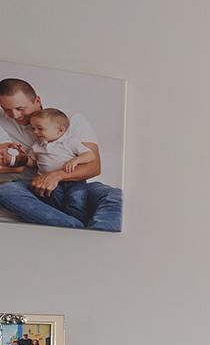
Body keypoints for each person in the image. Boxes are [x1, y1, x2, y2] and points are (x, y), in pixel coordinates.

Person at [0, 77, 121, 231]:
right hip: (35, 188)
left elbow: (94, 166)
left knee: (115, 196)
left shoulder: (68, 120)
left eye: (20, 109)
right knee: (5, 191)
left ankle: (99, 236)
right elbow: (23, 163)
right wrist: (15, 159)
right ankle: (73, 229)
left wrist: (56, 176)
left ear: (37, 100)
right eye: (7, 109)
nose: (15, 116)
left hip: (75, 183)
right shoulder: (5, 123)